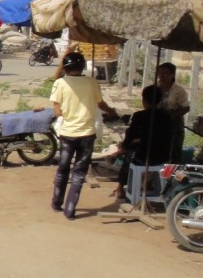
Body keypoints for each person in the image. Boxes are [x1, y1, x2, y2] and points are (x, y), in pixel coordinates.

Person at [50, 51, 118, 220]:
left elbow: (57, 111)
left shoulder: (60, 83)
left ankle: (56, 203)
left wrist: (67, 114)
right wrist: (111, 111)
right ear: (83, 67)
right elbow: (100, 103)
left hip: (67, 134)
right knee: (79, 172)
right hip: (87, 134)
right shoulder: (92, 83)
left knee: (63, 168)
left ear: (65, 68)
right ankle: (70, 209)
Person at [112, 85, 173, 201]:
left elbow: (130, 137)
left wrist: (124, 146)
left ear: (144, 100)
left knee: (128, 157)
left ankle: (120, 188)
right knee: (131, 148)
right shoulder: (166, 116)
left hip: (145, 156)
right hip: (163, 155)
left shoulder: (139, 116)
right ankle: (146, 183)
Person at [156, 62, 190, 163]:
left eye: (165, 74)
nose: (162, 76)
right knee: (159, 147)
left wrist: (172, 116)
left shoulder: (179, 90)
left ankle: (173, 173)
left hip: (174, 123)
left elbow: (186, 108)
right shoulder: (155, 88)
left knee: (174, 150)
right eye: (160, 73)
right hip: (159, 121)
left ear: (172, 75)